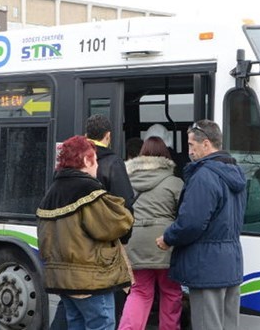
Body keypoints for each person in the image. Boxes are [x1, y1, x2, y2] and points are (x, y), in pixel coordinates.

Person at [155, 120, 247, 330]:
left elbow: (191, 223)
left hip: (207, 267)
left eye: (191, 145)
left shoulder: (204, 176)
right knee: (228, 325)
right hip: (231, 263)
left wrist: (168, 238)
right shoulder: (237, 173)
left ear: (206, 144)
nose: (189, 151)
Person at [36, 135, 134, 330]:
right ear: (86, 160)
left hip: (62, 279)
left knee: (76, 324)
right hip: (90, 279)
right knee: (101, 324)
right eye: (95, 160)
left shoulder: (52, 191)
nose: (97, 166)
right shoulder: (88, 190)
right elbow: (118, 224)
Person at [118, 136, 184, 330]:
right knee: (171, 291)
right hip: (164, 244)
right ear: (166, 156)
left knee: (140, 292)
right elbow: (184, 215)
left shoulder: (126, 180)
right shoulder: (175, 182)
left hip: (135, 243)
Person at [85, 114, 135, 326]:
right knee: (110, 305)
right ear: (108, 136)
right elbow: (125, 205)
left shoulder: (76, 161)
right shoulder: (113, 163)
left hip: (78, 244)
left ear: (87, 135)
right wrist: (124, 239)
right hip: (106, 245)